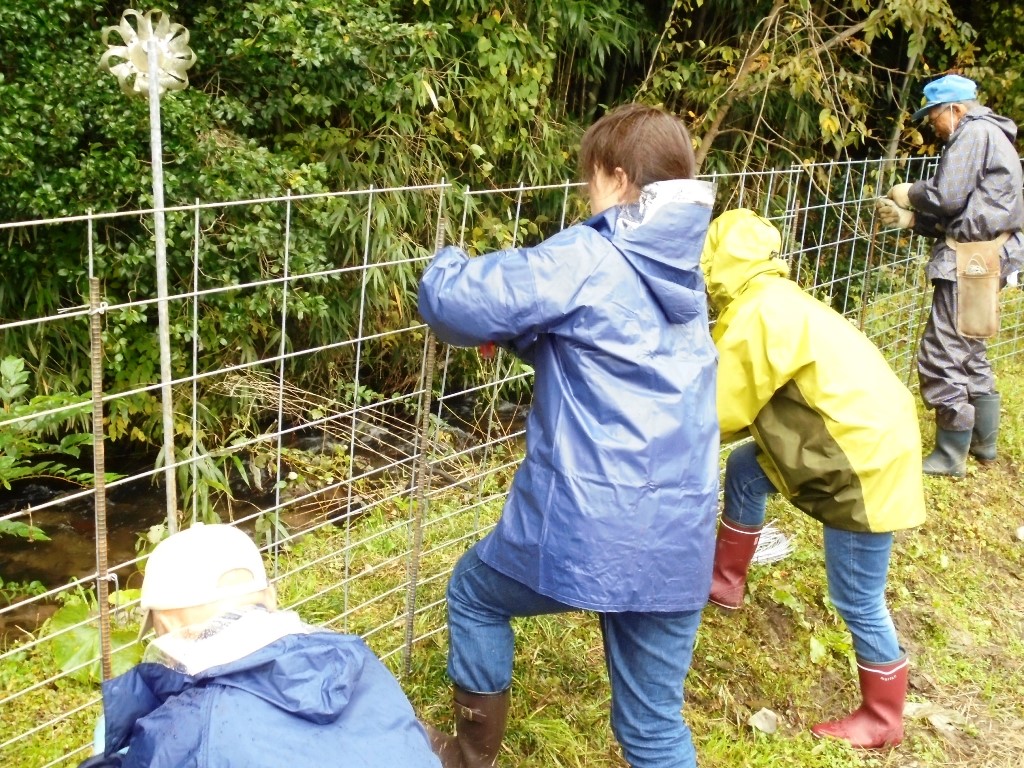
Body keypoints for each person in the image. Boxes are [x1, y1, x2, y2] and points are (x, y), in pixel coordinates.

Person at [417, 103, 719, 768]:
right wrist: (525, 334)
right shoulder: (686, 276)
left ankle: (469, 756)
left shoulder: (593, 250)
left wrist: (446, 257)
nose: (588, 196)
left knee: (472, 590)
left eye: (590, 180)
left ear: (616, 177)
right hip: (679, 536)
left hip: (589, 530)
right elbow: (612, 347)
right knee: (652, 724)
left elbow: (458, 301)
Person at [699, 209, 927, 749]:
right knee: (747, 469)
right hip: (867, 435)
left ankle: (882, 717)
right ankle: (725, 582)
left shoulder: (756, 315)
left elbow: (717, 409)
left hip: (859, 461)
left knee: (857, 598)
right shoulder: (779, 298)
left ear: (716, 261)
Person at [78, 523, 440, 768]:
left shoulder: (187, 728)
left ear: (169, 626)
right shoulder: (356, 659)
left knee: (102, 733)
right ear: (271, 597)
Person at [875, 73, 1024, 476]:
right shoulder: (995, 134)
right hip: (987, 252)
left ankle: (949, 454)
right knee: (970, 344)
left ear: (954, 110)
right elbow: (968, 211)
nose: (933, 127)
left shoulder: (972, 135)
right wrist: (912, 221)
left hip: (972, 259)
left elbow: (947, 197)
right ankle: (983, 443)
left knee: (941, 352)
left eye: (934, 117)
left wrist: (911, 193)